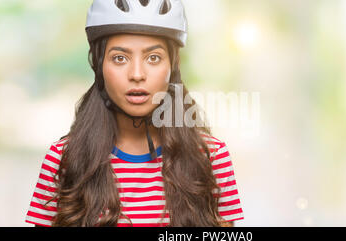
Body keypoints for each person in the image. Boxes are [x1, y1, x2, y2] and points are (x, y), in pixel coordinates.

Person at [25, 0, 244, 227]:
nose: (137, 74)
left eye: (153, 58)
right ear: (99, 65)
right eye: (120, 58)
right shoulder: (64, 159)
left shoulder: (211, 157)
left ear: (174, 64)